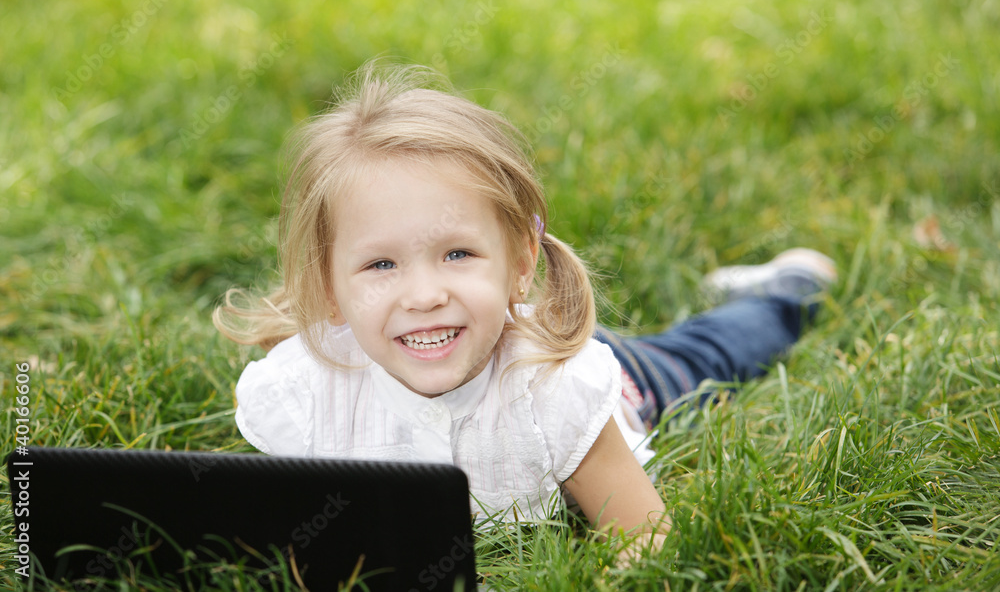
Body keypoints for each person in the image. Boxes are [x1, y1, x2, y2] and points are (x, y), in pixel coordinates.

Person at [214, 63, 835, 560]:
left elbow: (646, 535)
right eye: (381, 265)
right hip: (487, 328)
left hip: (620, 376)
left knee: (707, 353)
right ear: (328, 287)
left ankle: (790, 288)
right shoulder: (308, 393)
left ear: (520, 261)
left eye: (457, 253)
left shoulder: (556, 390)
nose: (424, 294)